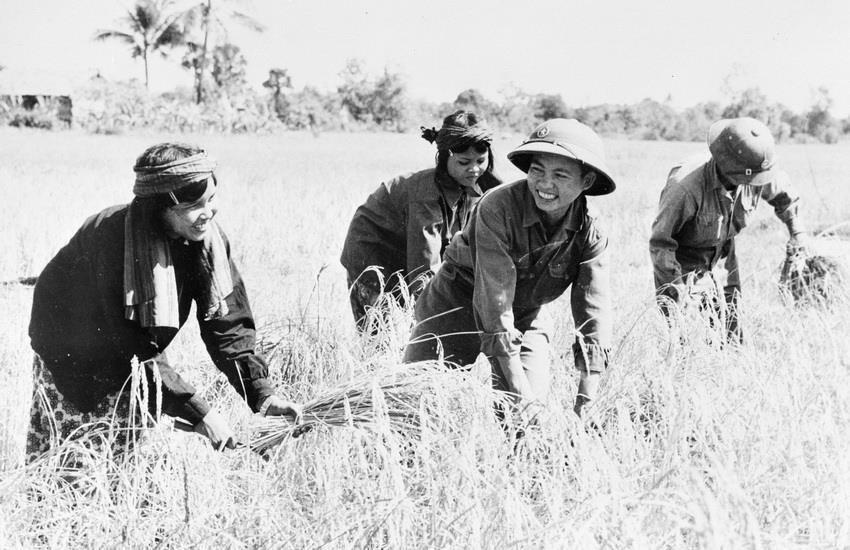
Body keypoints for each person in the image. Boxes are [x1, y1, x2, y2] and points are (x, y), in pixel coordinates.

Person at [26, 142, 301, 463]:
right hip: (74, 357)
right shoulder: (113, 239)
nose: (209, 212)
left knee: (133, 468)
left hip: (138, 363)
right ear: (160, 208)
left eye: (212, 199)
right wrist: (200, 413)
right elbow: (132, 343)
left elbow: (228, 324)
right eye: (195, 205)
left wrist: (262, 395)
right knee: (77, 467)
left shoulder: (206, 238)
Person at [403, 119, 615, 418]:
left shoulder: (590, 229)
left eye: (560, 175)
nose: (544, 184)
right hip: (455, 303)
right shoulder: (497, 207)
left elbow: (594, 308)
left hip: (527, 313)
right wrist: (521, 396)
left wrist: (587, 395)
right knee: (415, 405)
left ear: (587, 182)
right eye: (537, 170)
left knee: (525, 424)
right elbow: (495, 300)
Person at [340, 110, 502, 332]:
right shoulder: (425, 196)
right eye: (464, 162)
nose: (474, 169)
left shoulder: (480, 185)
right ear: (445, 158)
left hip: (408, 252)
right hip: (372, 253)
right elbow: (423, 268)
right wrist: (436, 316)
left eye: (481, 161)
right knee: (379, 336)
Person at [649, 117, 807, 342]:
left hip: (723, 255)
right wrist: (677, 289)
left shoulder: (756, 169)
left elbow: (786, 198)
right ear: (729, 171)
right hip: (682, 262)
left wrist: (798, 234)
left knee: (730, 334)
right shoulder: (685, 187)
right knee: (684, 342)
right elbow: (661, 243)